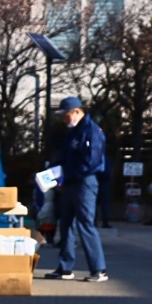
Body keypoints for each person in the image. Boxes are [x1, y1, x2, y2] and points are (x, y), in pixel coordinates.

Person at [45, 97, 108, 282]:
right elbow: (63, 158)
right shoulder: (73, 132)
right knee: (66, 225)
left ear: (76, 112)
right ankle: (65, 268)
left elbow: (91, 162)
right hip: (71, 182)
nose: (64, 119)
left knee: (86, 224)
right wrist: (49, 174)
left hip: (85, 182)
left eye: (65, 115)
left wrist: (66, 176)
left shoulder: (92, 131)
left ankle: (99, 269)